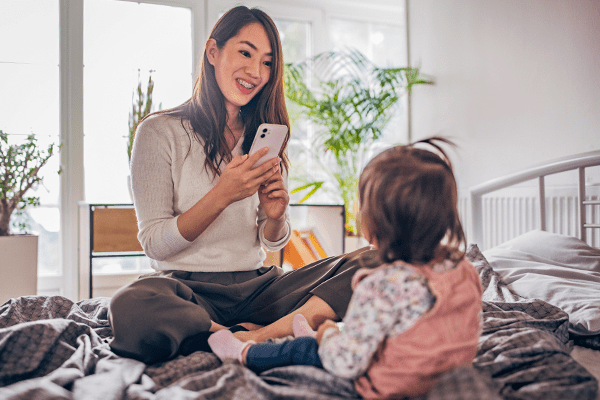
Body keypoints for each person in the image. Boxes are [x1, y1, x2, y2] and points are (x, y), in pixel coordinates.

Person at [108, 5, 378, 365]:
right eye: (245, 53)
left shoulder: (263, 136)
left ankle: (254, 338)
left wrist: (276, 217)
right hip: (188, 289)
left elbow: (271, 241)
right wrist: (222, 195)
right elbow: (156, 245)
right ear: (213, 52)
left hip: (259, 288)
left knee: (376, 261)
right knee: (130, 303)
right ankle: (242, 335)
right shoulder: (159, 132)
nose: (255, 71)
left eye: (267, 62)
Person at [208, 138, 483, 399]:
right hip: (443, 374)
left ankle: (244, 353)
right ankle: (322, 336)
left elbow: (346, 364)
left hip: (388, 384)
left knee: (303, 348)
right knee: (347, 335)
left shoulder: (382, 284)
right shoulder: (463, 270)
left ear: (376, 221)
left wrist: (328, 336)